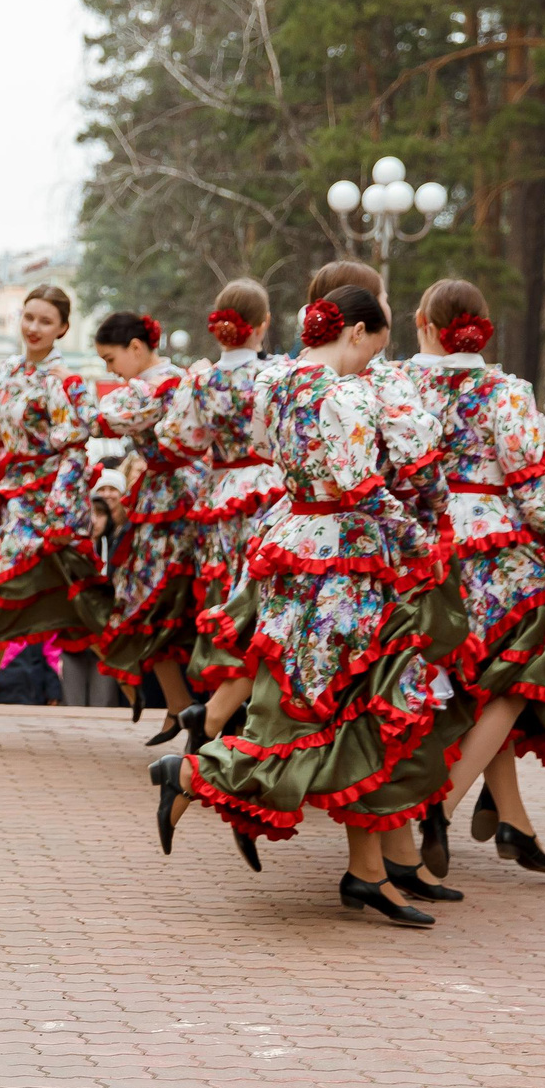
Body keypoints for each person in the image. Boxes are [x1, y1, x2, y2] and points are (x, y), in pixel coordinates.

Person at [151, 285, 455, 927]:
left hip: (293, 545)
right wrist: (418, 542)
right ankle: (192, 774)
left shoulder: (278, 383)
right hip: (342, 559)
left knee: (342, 703)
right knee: (339, 703)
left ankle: (367, 872)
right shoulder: (343, 393)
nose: (381, 349)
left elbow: (288, 463)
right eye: (381, 336)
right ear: (358, 332)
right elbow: (359, 484)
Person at [407, 280, 545, 877]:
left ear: (425, 321)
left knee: (479, 682)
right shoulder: (505, 391)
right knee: (513, 677)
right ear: (482, 326)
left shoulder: (402, 383)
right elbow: (529, 485)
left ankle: (513, 821)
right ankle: (442, 805)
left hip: (424, 547)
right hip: (495, 551)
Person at [0, 285, 113, 730]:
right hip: (10, 499)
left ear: (63, 329)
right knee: (0, 588)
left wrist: (59, 509)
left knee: (77, 596)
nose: (34, 327)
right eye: (29, 317)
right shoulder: (8, 369)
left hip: (50, 505)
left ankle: (152, 689)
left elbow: (75, 451)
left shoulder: (66, 380)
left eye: (45, 321)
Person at [155, 281, 285, 722]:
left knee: (224, 588)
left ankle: (224, 699)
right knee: (266, 588)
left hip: (222, 487)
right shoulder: (278, 374)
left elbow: (178, 439)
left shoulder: (202, 379)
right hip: (270, 487)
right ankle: (255, 698)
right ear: (262, 325)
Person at [88, 310, 201, 735]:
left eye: (110, 359)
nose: (110, 370)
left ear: (136, 347)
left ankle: (185, 706)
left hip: (178, 496)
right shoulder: (169, 382)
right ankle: (178, 705)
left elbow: (107, 416)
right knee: (152, 602)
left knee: (157, 599)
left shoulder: (163, 384)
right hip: (164, 493)